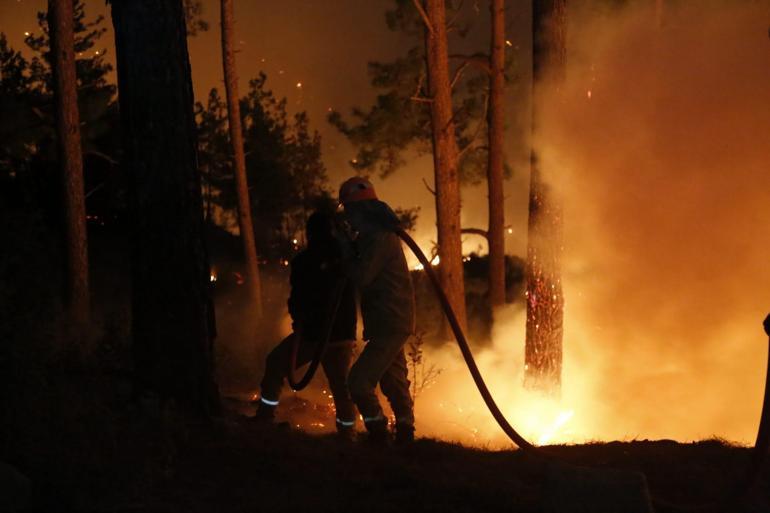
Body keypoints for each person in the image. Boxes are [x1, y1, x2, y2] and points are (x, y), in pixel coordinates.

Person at [253, 211, 358, 438]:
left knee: (276, 363)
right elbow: (300, 298)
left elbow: (299, 297)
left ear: (310, 233)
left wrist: (299, 317)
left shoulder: (326, 261)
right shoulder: (346, 259)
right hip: (331, 335)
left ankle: (265, 417)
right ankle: (348, 434)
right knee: (341, 387)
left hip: (320, 335)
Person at [337, 177, 416, 444]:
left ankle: (378, 432)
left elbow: (361, 276)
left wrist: (345, 249)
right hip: (389, 320)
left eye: (349, 211)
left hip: (390, 320)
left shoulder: (381, 238)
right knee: (393, 381)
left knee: (358, 381)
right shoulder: (376, 237)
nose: (348, 218)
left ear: (361, 210)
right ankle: (405, 434)